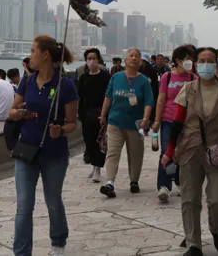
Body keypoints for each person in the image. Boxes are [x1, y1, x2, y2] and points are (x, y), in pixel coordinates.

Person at [161, 47, 218, 256]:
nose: (206, 64)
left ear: (216, 64)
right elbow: (177, 122)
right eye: (202, 60)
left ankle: (215, 229)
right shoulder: (188, 89)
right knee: (189, 199)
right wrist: (169, 151)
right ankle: (193, 244)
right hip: (190, 149)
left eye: (210, 60)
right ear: (196, 64)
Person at [9, 35, 79, 256]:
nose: (30, 56)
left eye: (32, 51)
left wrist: (60, 130)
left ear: (45, 55)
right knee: (23, 206)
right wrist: (21, 113)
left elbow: (72, 124)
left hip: (54, 154)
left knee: (53, 201)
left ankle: (58, 243)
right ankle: (21, 252)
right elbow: (11, 112)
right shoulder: (27, 81)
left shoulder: (65, 86)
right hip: (26, 151)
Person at [99, 48, 154, 198]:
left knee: (135, 154)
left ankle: (134, 181)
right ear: (125, 59)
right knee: (112, 153)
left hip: (135, 124)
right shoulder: (116, 77)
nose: (134, 58)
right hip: (115, 121)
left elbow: (149, 102)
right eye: (131, 56)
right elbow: (108, 97)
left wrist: (145, 119)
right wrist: (103, 115)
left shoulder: (143, 81)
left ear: (140, 61)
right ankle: (110, 183)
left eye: (137, 56)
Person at [152, 45, 196, 203]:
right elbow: (161, 99)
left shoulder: (193, 79)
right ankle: (164, 186)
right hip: (168, 120)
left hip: (187, 122)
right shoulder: (167, 77)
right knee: (166, 151)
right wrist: (157, 120)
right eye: (188, 58)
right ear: (178, 60)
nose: (191, 61)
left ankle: (178, 182)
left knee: (182, 153)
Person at [77, 48, 110, 182]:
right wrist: (79, 113)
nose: (91, 61)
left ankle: (98, 168)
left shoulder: (105, 77)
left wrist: (105, 114)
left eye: (94, 58)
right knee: (88, 141)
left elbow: (108, 96)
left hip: (100, 112)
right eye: (89, 59)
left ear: (98, 60)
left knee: (99, 141)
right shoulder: (83, 78)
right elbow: (79, 96)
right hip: (86, 113)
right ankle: (93, 165)